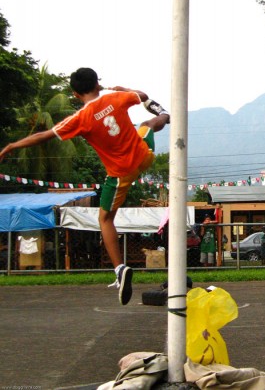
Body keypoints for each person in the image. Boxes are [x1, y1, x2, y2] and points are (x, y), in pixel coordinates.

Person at [0, 67, 170, 305]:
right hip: (143, 156)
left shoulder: (80, 118)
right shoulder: (114, 98)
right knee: (148, 124)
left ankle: (120, 269)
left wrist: (12, 146)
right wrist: (125, 90)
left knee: (105, 219)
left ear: (75, 93)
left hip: (121, 174)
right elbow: (141, 95)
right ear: (97, 84)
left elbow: (45, 135)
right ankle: (164, 115)